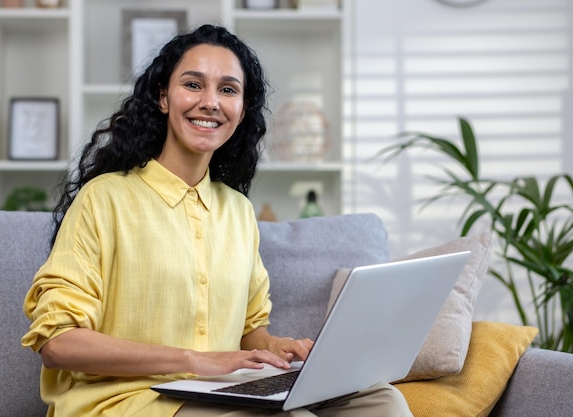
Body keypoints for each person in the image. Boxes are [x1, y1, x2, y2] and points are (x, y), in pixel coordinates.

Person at [21, 24, 414, 417]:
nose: (210, 102)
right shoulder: (105, 198)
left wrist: (275, 346)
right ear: (163, 97)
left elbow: (249, 329)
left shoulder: (238, 211)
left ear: (242, 110)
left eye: (227, 90)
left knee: (382, 400)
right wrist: (195, 360)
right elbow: (58, 343)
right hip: (130, 401)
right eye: (193, 84)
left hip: (221, 391)